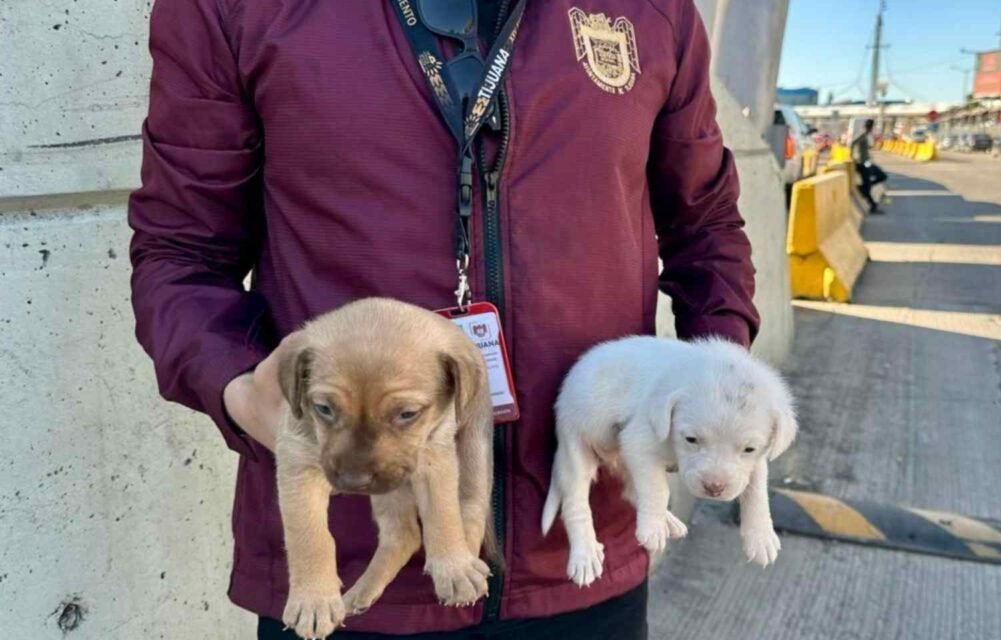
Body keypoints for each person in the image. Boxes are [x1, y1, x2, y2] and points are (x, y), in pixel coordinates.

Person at [127, 0, 759, 638]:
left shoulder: (655, 11)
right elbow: (179, 253)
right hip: (344, 579)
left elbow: (705, 225)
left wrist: (722, 386)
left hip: (582, 548)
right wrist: (239, 387)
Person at [850, 119, 887, 214]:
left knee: (881, 176)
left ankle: (862, 188)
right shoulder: (862, 133)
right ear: (870, 126)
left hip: (866, 162)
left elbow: (860, 146)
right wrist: (851, 157)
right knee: (869, 183)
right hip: (862, 163)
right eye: (871, 127)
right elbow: (852, 143)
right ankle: (872, 205)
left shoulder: (865, 134)